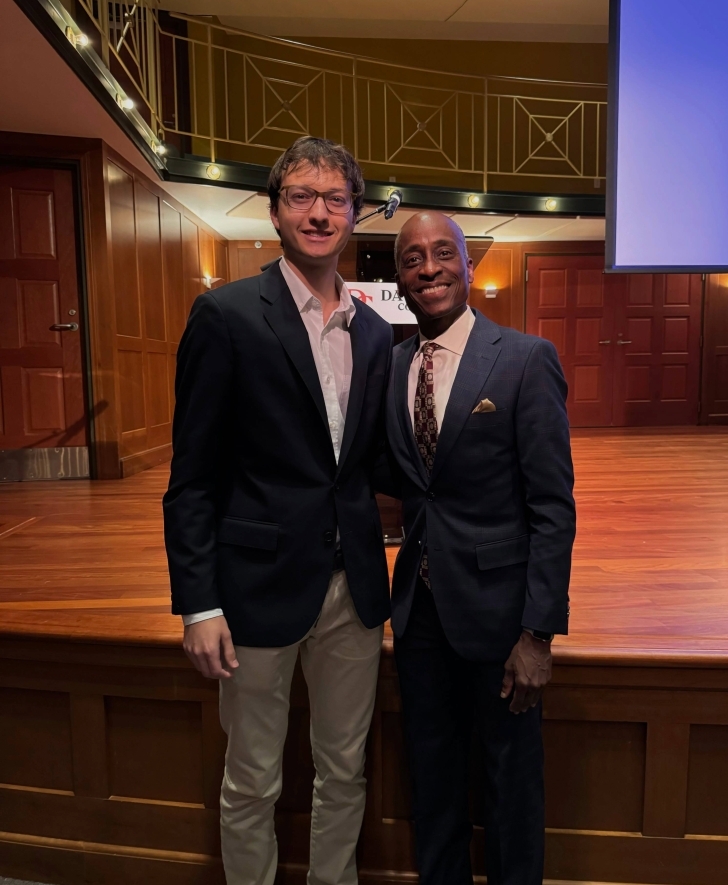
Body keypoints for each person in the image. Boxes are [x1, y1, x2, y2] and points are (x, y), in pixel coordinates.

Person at [163, 136, 393, 885]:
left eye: (335, 198)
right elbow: (192, 475)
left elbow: (365, 464)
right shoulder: (226, 314)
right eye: (302, 196)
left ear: (354, 213)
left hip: (353, 586)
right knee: (252, 777)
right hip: (255, 587)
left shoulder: (374, 331)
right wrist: (198, 603)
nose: (319, 212)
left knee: (344, 768)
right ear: (274, 210)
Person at [384, 211, 575, 885]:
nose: (428, 267)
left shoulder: (525, 359)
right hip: (419, 614)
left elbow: (552, 506)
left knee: (509, 786)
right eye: (412, 258)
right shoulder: (394, 363)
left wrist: (539, 633)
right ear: (399, 276)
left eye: (443, 253)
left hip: (502, 620)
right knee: (432, 781)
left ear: (470, 267)